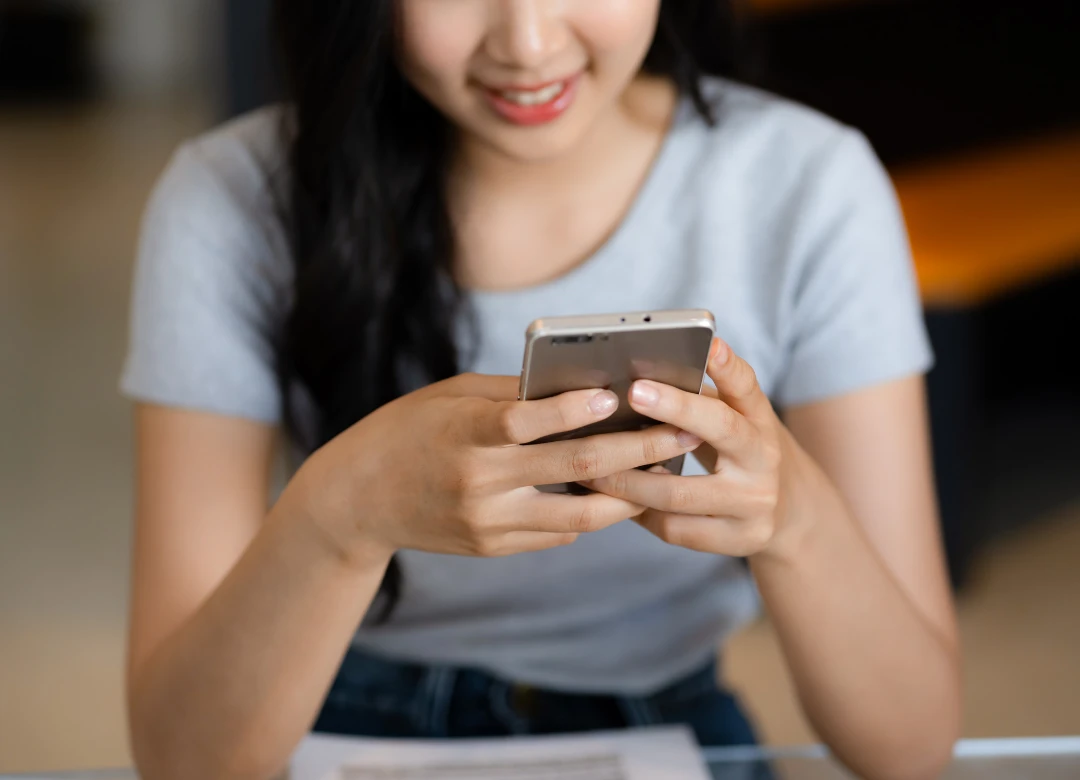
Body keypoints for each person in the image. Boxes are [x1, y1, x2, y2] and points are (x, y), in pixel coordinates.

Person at [121, 1, 962, 778]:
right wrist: (339, 515)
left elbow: (912, 744)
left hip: (669, 712)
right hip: (332, 709)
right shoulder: (229, 202)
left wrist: (796, 521)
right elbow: (182, 758)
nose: (529, 45)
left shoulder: (810, 187)